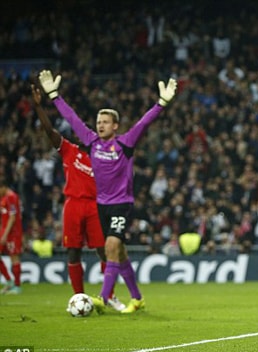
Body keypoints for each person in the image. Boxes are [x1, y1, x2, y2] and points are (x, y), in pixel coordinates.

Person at [38, 69, 177, 314]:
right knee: (120, 253)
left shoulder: (125, 143)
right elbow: (72, 119)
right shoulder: (91, 142)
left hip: (122, 203)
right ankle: (137, 299)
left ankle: (103, 297)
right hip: (101, 205)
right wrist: (54, 96)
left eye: (104, 122)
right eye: (98, 122)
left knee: (111, 246)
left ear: (115, 125)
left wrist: (161, 103)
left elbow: (144, 122)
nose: (99, 125)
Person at [31, 85, 124, 311]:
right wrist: (38, 107)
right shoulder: (69, 151)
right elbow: (49, 130)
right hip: (73, 205)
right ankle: (78, 298)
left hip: (95, 206)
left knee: (104, 250)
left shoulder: (102, 156)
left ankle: (109, 295)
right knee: (74, 251)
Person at [0, 178, 23, 295]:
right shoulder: (3, 198)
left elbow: (12, 217)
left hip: (13, 233)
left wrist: (4, 235)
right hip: (4, 231)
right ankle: (9, 281)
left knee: (14, 258)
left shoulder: (11, 197)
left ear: (3, 187)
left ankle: (17, 286)